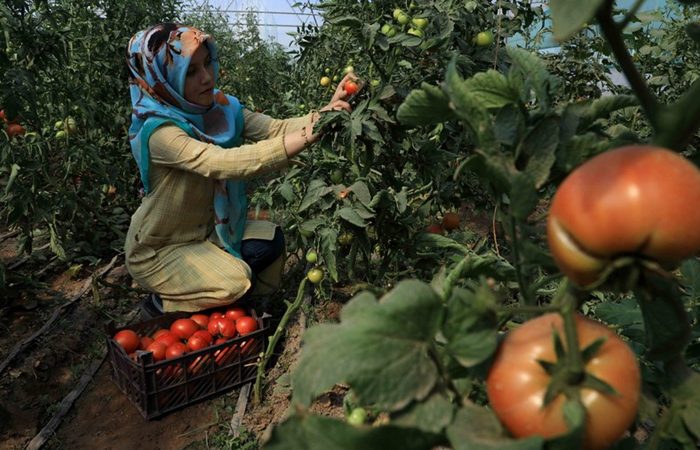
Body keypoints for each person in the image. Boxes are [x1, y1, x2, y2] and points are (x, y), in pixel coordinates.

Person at [124, 23, 358, 317]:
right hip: (160, 249)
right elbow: (218, 162)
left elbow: (275, 129)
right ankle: (162, 306)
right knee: (235, 281)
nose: (207, 78)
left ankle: (241, 308)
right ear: (162, 78)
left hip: (208, 233)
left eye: (207, 63)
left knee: (270, 240)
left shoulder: (220, 107)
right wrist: (308, 135)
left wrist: (325, 112)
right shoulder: (159, 132)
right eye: (190, 71)